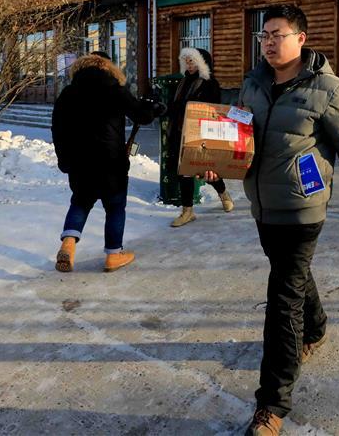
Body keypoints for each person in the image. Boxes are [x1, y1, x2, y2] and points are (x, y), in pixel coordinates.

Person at [203, 5, 339, 436]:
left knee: (282, 299)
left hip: (303, 206)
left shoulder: (328, 89)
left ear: (301, 38)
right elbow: (236, 135)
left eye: (277, 34)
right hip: (262, 205)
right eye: (263, 35)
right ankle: (316, 327)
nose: (268, 42)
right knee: (292, 276)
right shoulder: (252, 83)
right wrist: (216, 162)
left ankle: (272, 404)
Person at [51, 51, 165, 272]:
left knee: (80, 202)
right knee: (115, 206)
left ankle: (68, 243)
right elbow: (141, 115)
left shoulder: (68, 93)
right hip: (110, 162)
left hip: (79, 162)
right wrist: (154, 108)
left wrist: (64, 159)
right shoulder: (115, 89)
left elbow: (58, 129)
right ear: (109, 67)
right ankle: (114, 254)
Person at [166, 46, 235, 227]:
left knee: (207, 170)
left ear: (202, 63)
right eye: (187, 61)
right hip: (180, 133)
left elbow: (212, 109)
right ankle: (187, 211)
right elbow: (174, 104)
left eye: (193, 61)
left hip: (201, 134)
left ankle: (223, 193)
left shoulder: (209, 83)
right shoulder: (182, 83)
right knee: (185, 172)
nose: (189, 65)